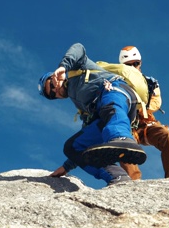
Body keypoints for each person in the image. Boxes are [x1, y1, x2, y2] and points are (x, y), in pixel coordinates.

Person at [39, 43, 146, 186]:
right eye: (51, 95)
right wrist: (67, 166)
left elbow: (78, 48)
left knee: (109, 104)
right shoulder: (81, 104)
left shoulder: (76, 70)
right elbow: (87, 134)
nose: (55, 91)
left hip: (117, 93)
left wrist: (63, 67)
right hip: (106, 115)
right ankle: (117, 177)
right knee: (73, 146)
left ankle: (122, 137)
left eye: (51, 84)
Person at [118, 46, 169, 180]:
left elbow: (156, 102)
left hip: (146, 123)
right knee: (122, 143)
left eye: (136, 63)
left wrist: (139, 108)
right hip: (127, 125)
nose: (133, 67)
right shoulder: (117, 83)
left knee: (167, 136)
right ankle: (134, 181)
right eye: (129, 65)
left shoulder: (150, 82)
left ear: (140, 63)